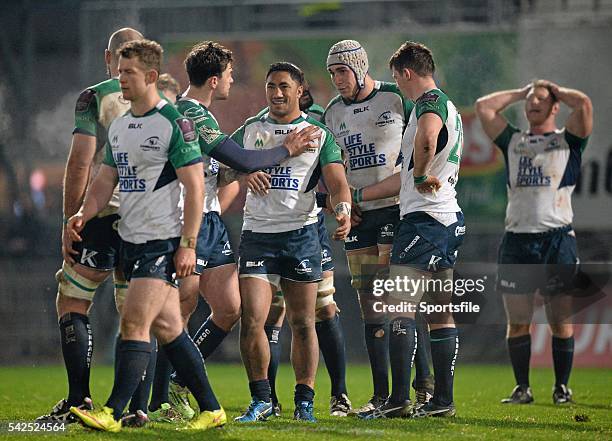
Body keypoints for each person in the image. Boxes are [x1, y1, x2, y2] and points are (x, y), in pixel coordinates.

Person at [148, 41, 319, 422]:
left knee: (229, 308)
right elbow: (239, 156)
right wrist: (286, 150)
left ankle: (176, 382)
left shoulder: (200, 113)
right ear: (213, 79)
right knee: (178, 311)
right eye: (227, 74)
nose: (231, 79)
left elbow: (220, 168)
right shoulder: (190, 113)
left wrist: (236, 172)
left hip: (210, 219)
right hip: (182, 221)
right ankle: (161, 399)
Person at [66, 39, 225, 432]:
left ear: (151, 76)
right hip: (130, 239)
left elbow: (195, 187)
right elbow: (106, 178)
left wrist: (187, 243)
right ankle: (212, 408)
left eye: (128, 72)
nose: (120, 78)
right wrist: (85, 212)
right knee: (169, 328)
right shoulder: (120, 126)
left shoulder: (173, 122)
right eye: (119, 71)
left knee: (134, 322)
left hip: (161, 240)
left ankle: (113, 412)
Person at [36, 27, 144, 424]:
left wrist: (70, 220)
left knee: (73, 298)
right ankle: (139, 408)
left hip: (102, 214)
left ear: (108, 58)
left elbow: (81, 161)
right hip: (147, 221)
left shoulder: (94, 96)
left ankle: (79, 400)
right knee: (138, 312)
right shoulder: (161, 100)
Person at [232, 62, 351, 423]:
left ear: (300, 91)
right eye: (271, 86)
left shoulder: (317, 133)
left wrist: (343, 209)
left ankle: (304, 401)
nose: (277, 93)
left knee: (303, 323)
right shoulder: (252, 129)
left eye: (284, 86)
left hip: (300, 237)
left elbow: (337, 182)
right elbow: (225, 163)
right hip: (257, 235)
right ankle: (262, 399)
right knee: (253, 318)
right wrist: (245, 170)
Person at [321, 39, 433, 414]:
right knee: (369, 304)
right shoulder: (333, 112)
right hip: (359, 219)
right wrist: (341, 203)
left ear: (359, 67)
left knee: (398, 299)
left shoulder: (395, 98)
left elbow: (420, 153)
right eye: (332, 72)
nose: (336, 79)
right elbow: (330, 170)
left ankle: (424, 388)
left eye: (341, 71)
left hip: (394, 212)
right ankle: (381, 395)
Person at [355, 41, 465, 418]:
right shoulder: (449, 106)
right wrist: (358, 195)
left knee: (398, 307)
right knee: (439, 313)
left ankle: (399, 400)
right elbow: (401, 177)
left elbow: (428, 138)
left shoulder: (429, 103)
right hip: (446, 219)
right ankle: (441, 403)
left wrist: (420, 174)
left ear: (405, 73)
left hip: (424, 220)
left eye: (399, 80)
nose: (399, 88)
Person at [475, 80, 592, 404]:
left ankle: (561, 388)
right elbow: (484, 106)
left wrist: (553, 88)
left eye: (541, 100)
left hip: (557, 239)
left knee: (559, 320)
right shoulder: (514, 140)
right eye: (530, 100)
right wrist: (522, 91)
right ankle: (522, 388)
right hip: (517, 241)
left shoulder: (567, 141)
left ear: (555, 107)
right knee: (518, 322)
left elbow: (582, 103)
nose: (533, 103)